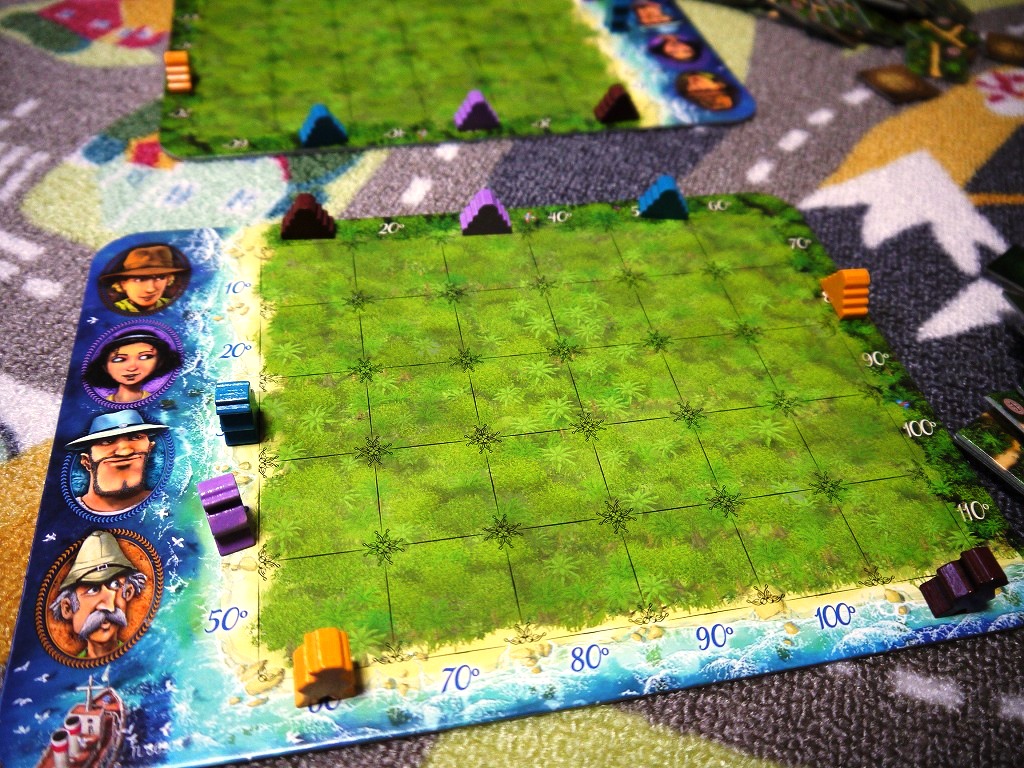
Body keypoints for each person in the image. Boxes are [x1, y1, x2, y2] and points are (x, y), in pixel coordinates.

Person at [48, 531, 148, 659]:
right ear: (67, 608)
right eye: (92, 590)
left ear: (128, 592)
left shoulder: (141, 658)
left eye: (115, 585)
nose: (108, 606)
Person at [65, 410, 169, 515]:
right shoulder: (66, 514)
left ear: (150, 449)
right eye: (106, 441)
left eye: (136, 437)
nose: (125, 452)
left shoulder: (167, 503)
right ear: (87, 461)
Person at [83, 330, 181, 404]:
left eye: (145, 357)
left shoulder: (156, 404)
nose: (132, 368)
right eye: (119, 359)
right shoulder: (100, 404)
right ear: (105, 367)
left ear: (159, 362)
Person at [101, 244, 188, 313]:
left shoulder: (176, 307)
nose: (150, 289)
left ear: (168, 280)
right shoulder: (111, 311)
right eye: (139, 279)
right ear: (123, 284)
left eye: (160, 277)